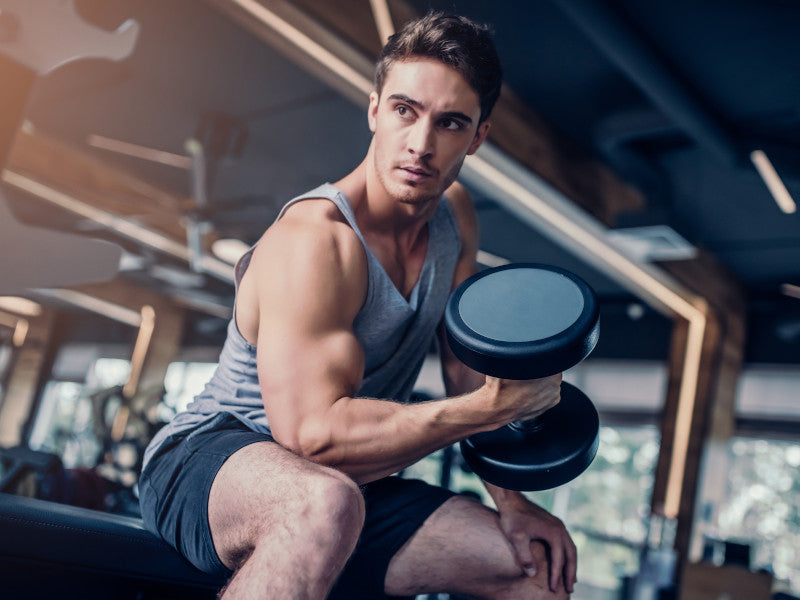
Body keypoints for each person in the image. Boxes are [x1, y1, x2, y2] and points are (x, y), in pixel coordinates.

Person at [139, 11, 577, 600]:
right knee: (323, 502)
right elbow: (312, 438)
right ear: (374, 110)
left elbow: (464, 368)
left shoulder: (456, 218)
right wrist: (488, 410)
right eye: (405, 111)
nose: (421, 145)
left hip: (352, 479)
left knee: (533, 568)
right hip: (216, 458)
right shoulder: (316, 240)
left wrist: (514, 502)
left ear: (477, 138)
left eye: (449, 123)